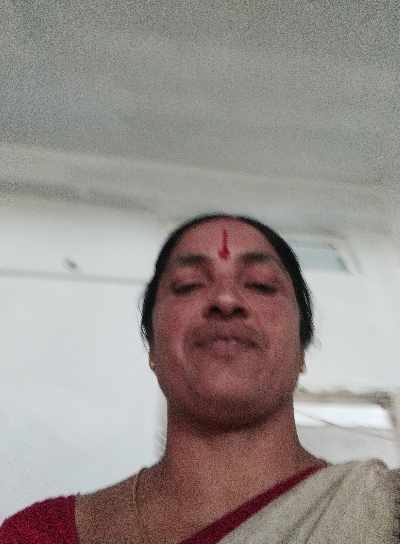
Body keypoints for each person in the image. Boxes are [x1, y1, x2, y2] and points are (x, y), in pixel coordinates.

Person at [1, 213, 399, 543]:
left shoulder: (383, 514)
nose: (226, 300)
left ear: (302, 350)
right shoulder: (39, 536)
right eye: (189, 285)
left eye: (261, 285)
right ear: (152, 347)